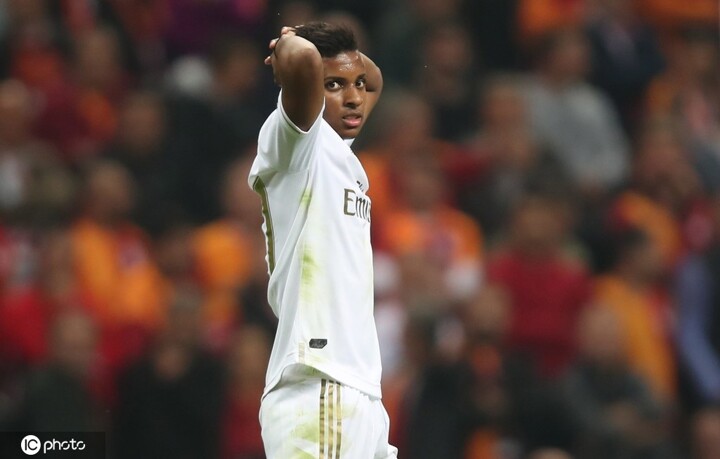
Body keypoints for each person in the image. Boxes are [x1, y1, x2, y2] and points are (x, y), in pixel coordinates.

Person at [248, 22, 397, 458]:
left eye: (356, 85)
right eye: (334, 85)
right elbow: (301, 59)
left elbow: (375, 79)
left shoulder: (339, 152)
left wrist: (340, 57)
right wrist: (288, 41)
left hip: (357, 393)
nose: (354, 97)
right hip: (319, 385)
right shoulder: (295, 143)